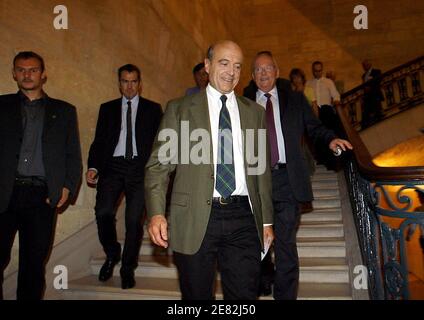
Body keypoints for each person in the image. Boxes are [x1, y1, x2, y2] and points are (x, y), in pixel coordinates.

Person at [145, 40, 274, 300]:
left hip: (243, 217)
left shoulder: (255, 113)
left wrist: (267, 221)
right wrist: (157, 213)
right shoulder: (179, 109)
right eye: (224, 63)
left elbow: (261, 170)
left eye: (237, 66)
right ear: (207, 66)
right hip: (194, 216)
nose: (231, 72)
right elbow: (159, 166)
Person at [244, 51, 352, 300]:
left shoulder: (295, 99)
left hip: (287, 180)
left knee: (285, 244)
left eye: (268, 68)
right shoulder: (243, 104)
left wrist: (331, 139)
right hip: (255, 182)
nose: (263, 73)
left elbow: (314, 128)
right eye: (258, 70)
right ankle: (264, 275)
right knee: (257, 241)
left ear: (276, 72)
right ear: (251, 76)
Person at [0, 51, 82, 300]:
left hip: (41, 197)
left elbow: (72, 154)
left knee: (33, 265)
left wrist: (67, 186)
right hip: (4, 193)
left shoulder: (64, 111)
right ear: (14, 73)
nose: (27, 74)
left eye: (33, 69)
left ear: (43, 74)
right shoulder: (1, 106)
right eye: (21, 69)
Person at [86, 64, 162, 289]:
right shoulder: (107, 108)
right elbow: (99, 141)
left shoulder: (152, 109)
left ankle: (128, 268)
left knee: (133, 221)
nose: (129, 86)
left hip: (140, 169)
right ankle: (112, 253)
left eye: (133, 81)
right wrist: (94, 167)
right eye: (125, 81)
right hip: (113, 167)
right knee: (103, 212)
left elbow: (160, 142)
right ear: (119, 83)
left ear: (140, 83)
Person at [307, 61, 343, 169]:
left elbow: (336, 95)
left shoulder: (328, 82)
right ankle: (320, 159)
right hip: (314, 112)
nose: (317, 73)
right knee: (317, 137)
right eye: (315, 70)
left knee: (328, 136)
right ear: (313, 71)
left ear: (322, 70)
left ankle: (330, 161)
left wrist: (336, 101)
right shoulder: (309, 83)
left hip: (326, 111)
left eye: (319, 70)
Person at [361, 59, 384, 128]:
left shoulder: (376, 71)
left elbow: (378, 80)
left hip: (375, 94)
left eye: (366, 65)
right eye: (363, 66)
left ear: (370, 65)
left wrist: (370, 87)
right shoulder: (363, 75)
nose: (364, 67)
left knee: (377, 109)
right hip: (367, 96)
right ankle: (367, 124)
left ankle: (379, 120)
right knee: (367, 111)